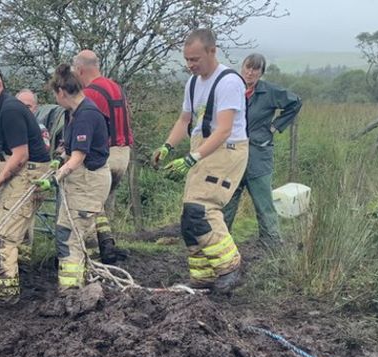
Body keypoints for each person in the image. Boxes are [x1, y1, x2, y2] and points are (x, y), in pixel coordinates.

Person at [151, 28, 248, 292]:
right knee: (189, 218)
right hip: (202, 147)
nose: (190, 65)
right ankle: (204, 276)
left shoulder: (228, 82)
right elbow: (185, 120)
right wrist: (168, 146)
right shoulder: (193, 83)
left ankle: (230, 267)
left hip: (226, 149)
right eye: (187, 60)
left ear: (211, 51)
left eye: (195, 59)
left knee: (202, 209)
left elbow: (224, 128)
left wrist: (193, 158)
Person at [0, 65, 52, 305]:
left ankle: (5, 295)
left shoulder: (10, 111)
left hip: (29, 172)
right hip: (7, 168)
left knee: (2, 235)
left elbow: (20, 156)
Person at [222, 53, 302, 247]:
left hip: (258, 154)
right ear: (242, 68)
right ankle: (222, 242)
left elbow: (295, 102)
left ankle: (271, 243)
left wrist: (275, 126)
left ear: (261, 72)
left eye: (255, 69)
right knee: (227, 200)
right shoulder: (233, 89)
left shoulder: (269, 91)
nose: (250, 72)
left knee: (263, 201)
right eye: (248, 67)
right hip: (232, 154)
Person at [48, 64, 111, 290]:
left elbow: (78, 157)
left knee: (69, 236)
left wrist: (54, 178)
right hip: (82, 181)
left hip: (88, 182)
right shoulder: (76, 113)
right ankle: (84, 285)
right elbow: (69, 149)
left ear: (61, 92)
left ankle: (72, 292)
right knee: (71, 232)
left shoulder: (86, 115)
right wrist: (58, 157)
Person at [72, 50, 133, 265]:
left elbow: (90, 128)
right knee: (106, 205)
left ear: (80, 70)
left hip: (105, 155)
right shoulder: (116, 87)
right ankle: (109, 246)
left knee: (90, 203)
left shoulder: (89, 94)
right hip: (123, 153)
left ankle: (96, 255)